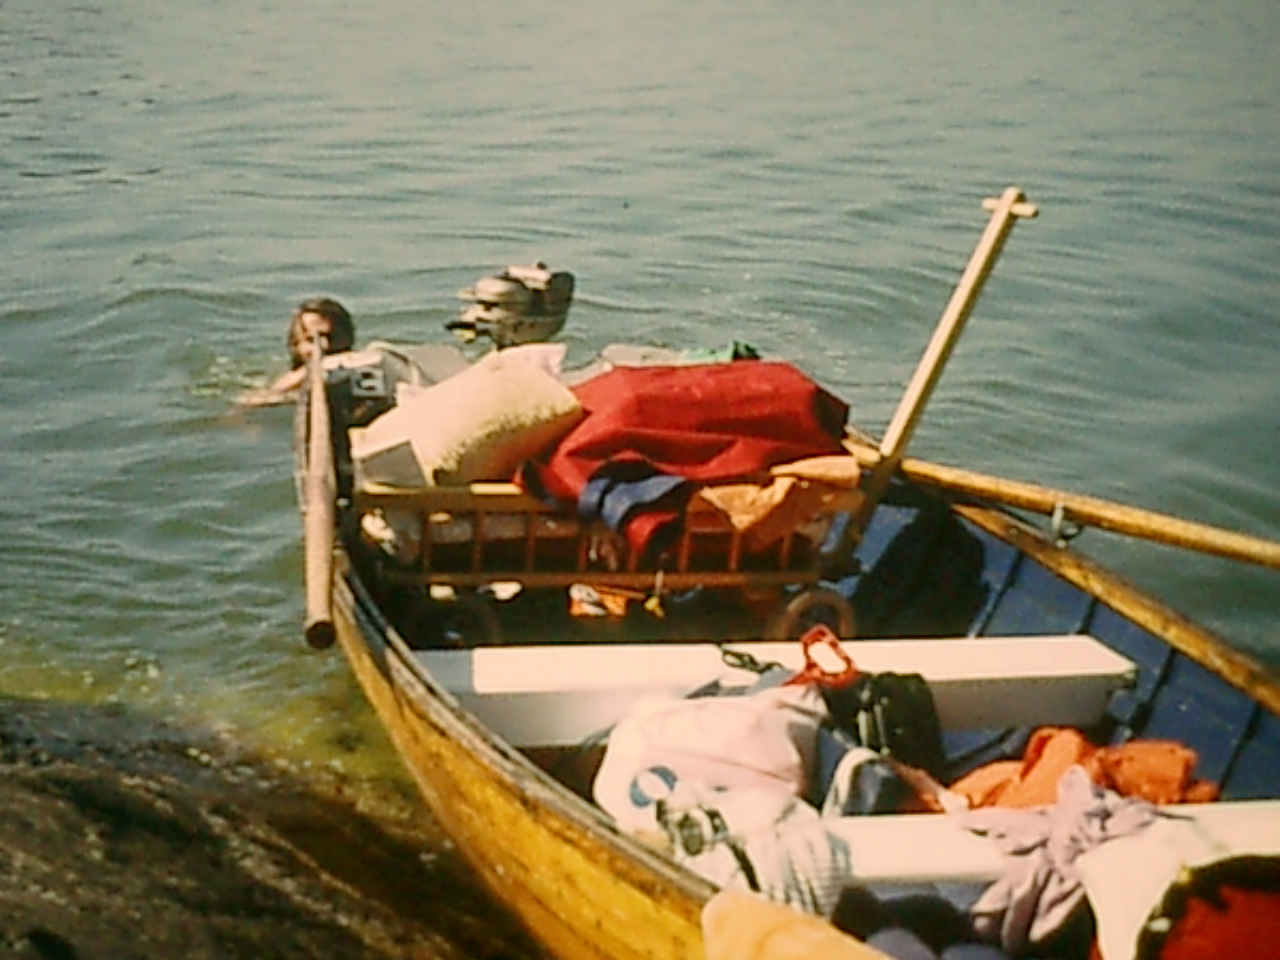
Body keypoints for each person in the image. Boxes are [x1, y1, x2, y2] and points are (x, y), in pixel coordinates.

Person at [238, 297, 355, 407]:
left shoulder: (356, 370)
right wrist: (305, 373)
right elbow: (251, 401)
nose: (324, 345)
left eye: (332, 337)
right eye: (311, 339)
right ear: (296, 345)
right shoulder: (291, 383)